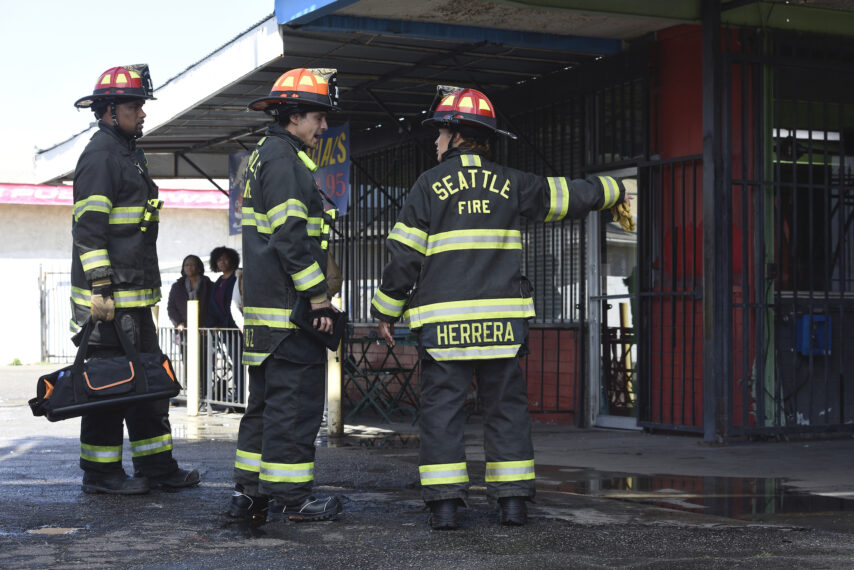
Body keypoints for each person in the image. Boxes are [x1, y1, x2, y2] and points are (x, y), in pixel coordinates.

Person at [370, 86, 633, 529]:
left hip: (445, 329)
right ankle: (512, 502)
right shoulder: (512, 182)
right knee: (506, 410)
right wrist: (615, 189)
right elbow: (565, 196)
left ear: (456, 135)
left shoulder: (427, 186)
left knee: (442, 412)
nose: (435, 142)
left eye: (438, 133)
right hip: (502, 327)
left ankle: (446, 507)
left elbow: (405, 257)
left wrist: (385, 311)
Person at [70, 64, 200, 494]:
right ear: (108, 111)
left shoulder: (129, 153)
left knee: (148, 383)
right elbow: (89, 229)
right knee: (110, 389)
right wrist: (101, 287)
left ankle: (156, 468)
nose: (142, 113)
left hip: (135, 299)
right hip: (110, 303)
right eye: (133, 105)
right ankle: (101, 475)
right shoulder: (101, 155)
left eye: (141, 105)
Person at [227, 68, 342, 523]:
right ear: (294, 116)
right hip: (289, 314)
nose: (324, 127)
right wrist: (318, 298)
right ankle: (295, 499)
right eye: (318, 117)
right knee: (294, 408)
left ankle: (250, 495)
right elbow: (290, 239)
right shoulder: (283, 161)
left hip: (267, 318)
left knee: (266, 407)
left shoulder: (267, 156)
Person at [167, 254, 213, 330]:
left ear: (199, 267)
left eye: (192, 264)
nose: (189, 267)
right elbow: (171, 307)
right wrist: (178, 323)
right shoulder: (177, 287)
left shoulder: (209, 285)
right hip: (183, 330)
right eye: (186, 265)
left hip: (205, 330)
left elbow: (213, 307)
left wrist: (209, 325)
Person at [208, 246, 240, 329]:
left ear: (232, 259)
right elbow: (213, 306)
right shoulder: (218, 282)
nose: (222, 262)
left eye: (225, 259)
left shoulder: (240, 276)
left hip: (239, 324)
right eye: (219, 260)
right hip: (224, 327)